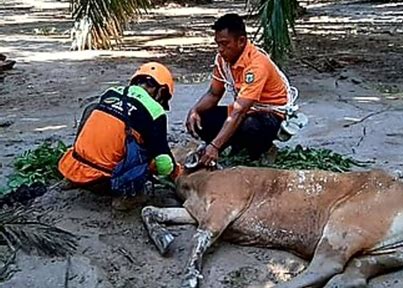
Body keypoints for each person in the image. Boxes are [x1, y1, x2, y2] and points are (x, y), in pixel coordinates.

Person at [58, 62, 181, 209]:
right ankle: (126, 199)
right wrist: (175, 171)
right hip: (103, 181)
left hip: (75, 169)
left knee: (93, 110)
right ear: (161, 91)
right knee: (146, 155)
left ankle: (72, 180)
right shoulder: (155, 111)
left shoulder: (111, 92)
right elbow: (164, 165)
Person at [186, 13, 298, 166]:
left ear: (241, 41)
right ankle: (235, 145)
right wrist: (195, 110)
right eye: (218, 44)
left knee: (249, 126)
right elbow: (213, 94)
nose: (220, 50)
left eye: (225, 44)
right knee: (202, 119)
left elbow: (240, 111)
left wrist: (214, 146)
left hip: (268, 114)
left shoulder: (257, 65)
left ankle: (264, 149)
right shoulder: (223, 61)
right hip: (244, 110)